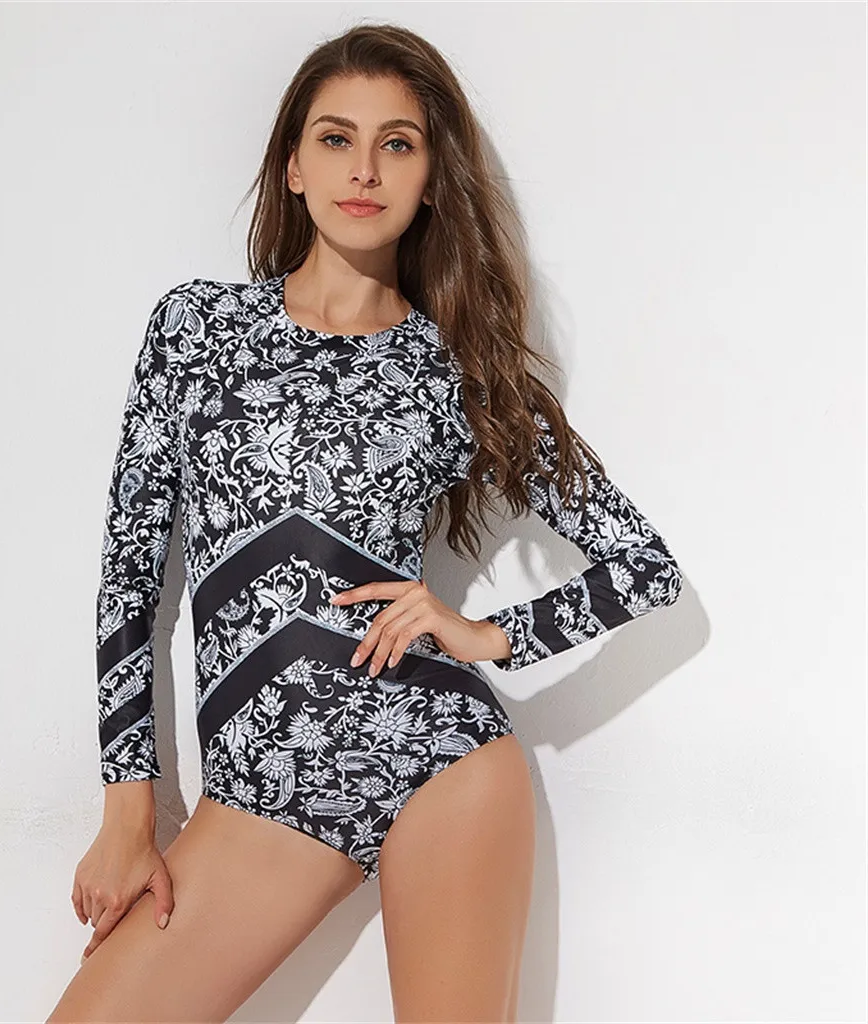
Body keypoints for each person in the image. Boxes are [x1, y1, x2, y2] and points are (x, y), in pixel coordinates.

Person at [48, 22, 683, 1024]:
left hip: (442, 762)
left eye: (398, 143)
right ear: (293, 166)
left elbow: (642, 568)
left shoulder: (460, 371)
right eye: (336, 138)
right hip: (259, 792)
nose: (365, 169)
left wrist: (485, 634)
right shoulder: (197, 329)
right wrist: (129, 809)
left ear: (431, 179)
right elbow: (131, 571)